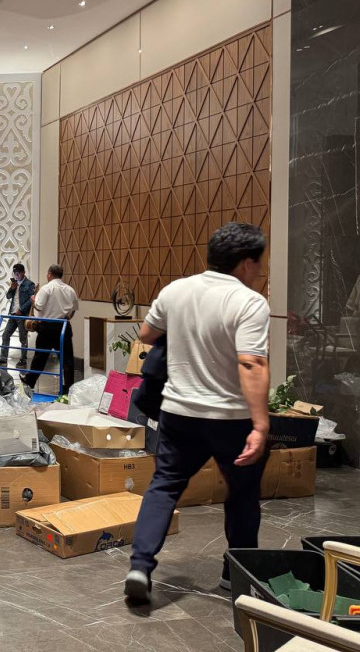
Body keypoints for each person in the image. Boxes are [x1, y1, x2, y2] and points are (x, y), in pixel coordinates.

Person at [124, 222, 270, 604]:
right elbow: (251, 363)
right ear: (245, 263)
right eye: (259, 263)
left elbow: (146, 334)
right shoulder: (249, 302)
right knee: (242, 494)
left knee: (164, 485)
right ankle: (235, 575)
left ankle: (140, 566)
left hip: (179, 413)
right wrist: (260, 424)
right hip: (232, 419)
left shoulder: (176, 290)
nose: (259, 270)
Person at [22, 264, 78, 394]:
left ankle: (30, 381)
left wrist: (33, 300)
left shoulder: (46, 288)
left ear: (49, 274)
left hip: (47, 327)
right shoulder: (70, 289)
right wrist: (67, 318)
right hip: (64, 326)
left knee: (40, 357)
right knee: (67, 360)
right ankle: (68, 389)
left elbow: (39, 307)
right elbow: (74, 309)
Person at [0, 264, 36, 368]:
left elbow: (31, 300)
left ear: (24, 272)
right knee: (5, 335)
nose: (17, 275)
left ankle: (23, 360)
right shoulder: (14, 284)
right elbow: (8, 296)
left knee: (23, 338)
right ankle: (3, 359)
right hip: (13, 314)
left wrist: (21, 309)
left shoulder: (29, 284)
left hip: (22, 315)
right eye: (15, 273)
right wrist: (11, 288)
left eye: (19, 273)